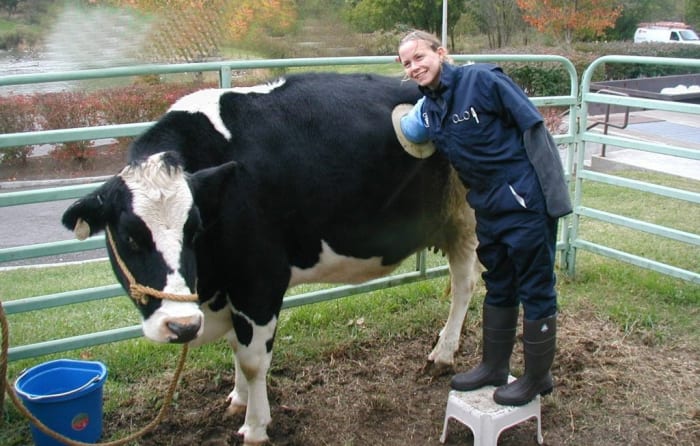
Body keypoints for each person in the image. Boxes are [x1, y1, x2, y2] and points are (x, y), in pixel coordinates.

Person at [395, 30, 572, 406]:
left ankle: (538, 377)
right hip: (486, 204)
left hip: (523, 197)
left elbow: (533, 128)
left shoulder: (483, 80)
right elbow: (407, 128)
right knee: (500, 281)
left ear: (441, 53)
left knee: (535, 286)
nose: (414, 67)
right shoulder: (429, 109)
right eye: (407, 63)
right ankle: (494, 366)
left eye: (420, 57)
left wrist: (551, 197)